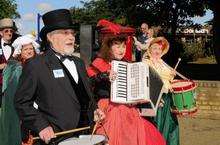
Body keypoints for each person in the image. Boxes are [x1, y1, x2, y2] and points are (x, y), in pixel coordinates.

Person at [14, 9, 103, 145]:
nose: (71, 37)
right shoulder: (36, 65)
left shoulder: (79, 63)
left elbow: (85, 94)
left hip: (86, 134)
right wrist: (41, 126)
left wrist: (94, 110)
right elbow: (22, 102)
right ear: (50, 37)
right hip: (56, 138)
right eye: (65, 33)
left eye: (72, 33)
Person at [87, 21, 166, 145]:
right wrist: (102, 76)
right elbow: (88, 83)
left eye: (123, 46)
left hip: (130, 110)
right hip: (108, 110)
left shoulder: (129, 64)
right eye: (117, 46)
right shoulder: (99, 62)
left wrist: (151, 99)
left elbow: (136, 91)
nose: (121, 50)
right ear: (108, 47)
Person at [0, 34, 40, 145]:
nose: (29, 51)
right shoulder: (16, 69)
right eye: (26, 49)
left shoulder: (38, 64)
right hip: (22, 111)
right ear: (19, 52)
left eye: (31, 49)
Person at [142, 37, 179, 145]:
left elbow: (167, 79)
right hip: (156, 98)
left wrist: (171, 76)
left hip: (167, 97)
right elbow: (147, 81)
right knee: (157, 125)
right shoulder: (146, 63)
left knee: (169, 125)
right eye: (154, 48)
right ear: (149, 50)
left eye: (159, 48)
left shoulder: (162, 62)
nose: (157, 51)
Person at [0, 18, 17, 107]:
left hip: (10, 85)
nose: (9, 33)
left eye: (11, 31)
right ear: (1, 33)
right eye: (6, 31)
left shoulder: (15, 48)